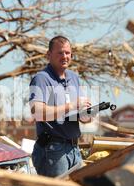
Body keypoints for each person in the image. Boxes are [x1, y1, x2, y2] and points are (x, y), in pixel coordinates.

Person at [29, 36, 91, 177]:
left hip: (74, 148)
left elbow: (81, 116)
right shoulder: (42, 78)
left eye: (68, 53)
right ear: (48, 55)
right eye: (60, 53)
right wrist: (72, 105)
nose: (65, 56)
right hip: (53, 150)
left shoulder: (74, 78)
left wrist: (87, 114)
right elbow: (37, 112)